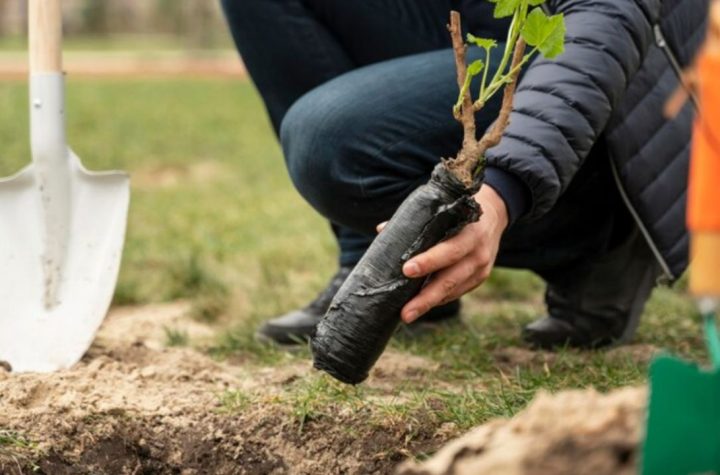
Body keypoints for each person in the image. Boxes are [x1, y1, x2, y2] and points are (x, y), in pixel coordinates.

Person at [220, 0, 707, 349]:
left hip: (613, 70)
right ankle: (377, 262)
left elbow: (604, 23)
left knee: (327, 139)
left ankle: (602, 244)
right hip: (487, 28)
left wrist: (499, 195)